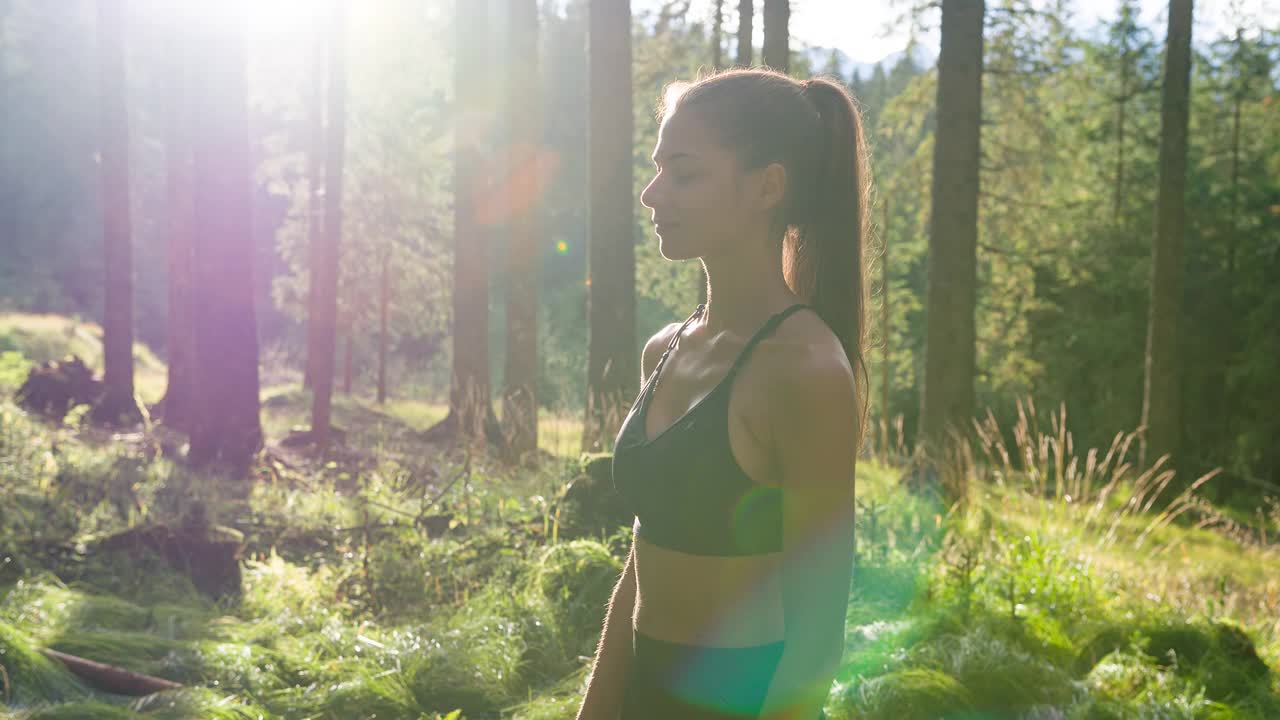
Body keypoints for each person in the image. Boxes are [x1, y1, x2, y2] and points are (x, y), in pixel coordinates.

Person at [574, 67, 870, 720]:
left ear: (768, 187)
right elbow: (646, 553)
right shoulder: (666, 349)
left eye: (684, 172)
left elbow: (818, 638)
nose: (652, 194)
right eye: (656, 169)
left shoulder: (806, 369)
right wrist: (595, 708)